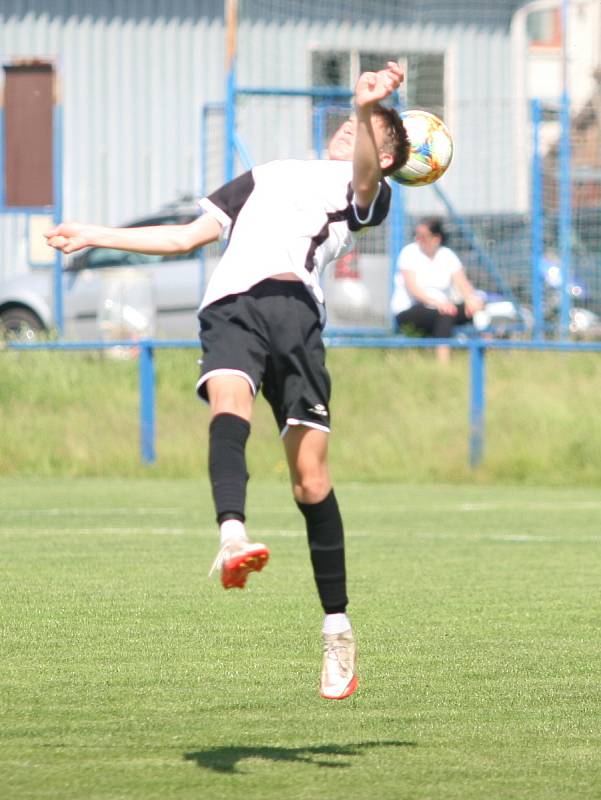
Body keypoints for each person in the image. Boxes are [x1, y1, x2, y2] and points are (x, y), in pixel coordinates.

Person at [45, 61, 410, 701]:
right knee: (227, 404)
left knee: (310, 478)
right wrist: (94, 233)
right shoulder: (265, 175)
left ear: (382, 157)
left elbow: (364, 179)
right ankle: (232, 535)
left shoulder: (363, 192)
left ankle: (336, 628)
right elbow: (189, 236)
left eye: (371, 133)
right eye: (354, 125)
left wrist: (366, 106)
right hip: (231, 306)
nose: (355, 134)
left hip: (294, 312)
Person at [391, 217, 484, 363]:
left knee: (475, 308)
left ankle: (487, 354)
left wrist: (471, 300)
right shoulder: (409, 253)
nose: (418, 239)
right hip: (411, 310)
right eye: (416, 235)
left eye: (423, 236)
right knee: (445, 314)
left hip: (443, 307)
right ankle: (443, 362)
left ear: (436, 238)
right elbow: (413, 289)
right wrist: (437, 303)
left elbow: (462, 283)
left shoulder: (447, 255)